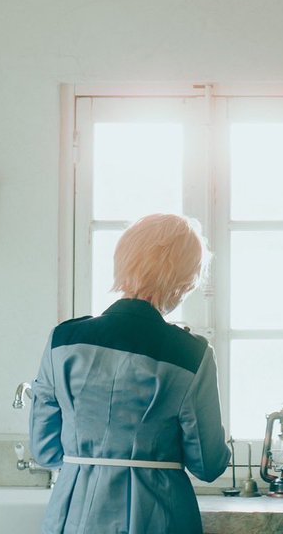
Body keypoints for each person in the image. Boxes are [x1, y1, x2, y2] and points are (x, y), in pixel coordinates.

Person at [30, 213, 230, 534]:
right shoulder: (192, 354)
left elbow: (45, 451)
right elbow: (208, 465)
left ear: (123, 261)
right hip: (160, 517)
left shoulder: (63, 340)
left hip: (76, 516)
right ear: (185, 280)